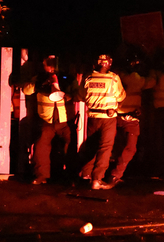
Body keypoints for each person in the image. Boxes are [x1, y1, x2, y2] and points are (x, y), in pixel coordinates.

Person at [23, 55, 78, 185]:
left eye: (53, 64)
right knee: (40, 148)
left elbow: (78, 94)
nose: (51, 67)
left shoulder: (68, 79)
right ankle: (41, 176)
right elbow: (26, 90)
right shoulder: (39, 78)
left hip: (65, 121)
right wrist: (39, 84)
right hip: (46, 120)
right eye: (48, 64)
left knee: (69, 148)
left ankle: (71, 177)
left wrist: (69, 95)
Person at [105, 53, 155, 188]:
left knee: (113, 147)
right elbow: (151, 82)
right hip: (130, 118)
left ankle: (103, 174)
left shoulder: (115, 78)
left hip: (114, 117)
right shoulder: (134, 78)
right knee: (130, 149)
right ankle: (115, 175)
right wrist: (153, 70)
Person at [79, 54, 126, 190]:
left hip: (93, 117)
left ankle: (85, 175)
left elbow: (81, 95)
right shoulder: (114, 78)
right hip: (108, 118)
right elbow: (121, 96)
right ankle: (97, 179)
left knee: (91, 146)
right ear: (109, 64)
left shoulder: (88, 77)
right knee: (105, 148)